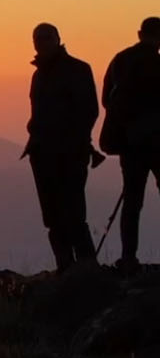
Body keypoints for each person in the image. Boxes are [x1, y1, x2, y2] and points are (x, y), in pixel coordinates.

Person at [23, 22, 101, 270]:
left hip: (69, 152)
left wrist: (74, 141)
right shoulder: (40, 74)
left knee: (73, 212)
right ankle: (66, 266)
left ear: (58, 39)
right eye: (38, 38)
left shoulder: (77, 70)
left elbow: (89, 111)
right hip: (43, 151)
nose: (42, 42)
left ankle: (87, 267)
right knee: (53, 216)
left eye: (47, 38)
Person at [100, 17, 160, 269]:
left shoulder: (121, 60)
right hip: (158, 143)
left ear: (139, 33)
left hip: (130, 142)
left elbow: (106, 99)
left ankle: (128, 257)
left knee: (132, 201)